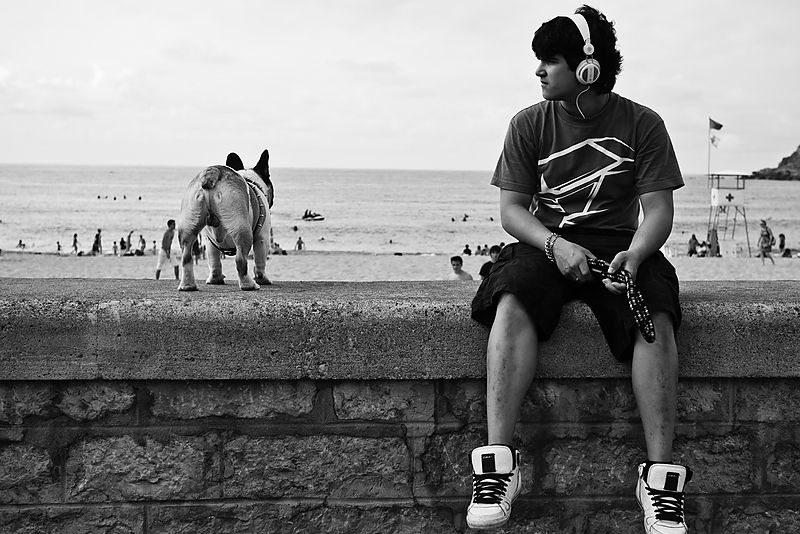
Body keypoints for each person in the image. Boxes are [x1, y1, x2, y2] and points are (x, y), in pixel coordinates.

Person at [467, 7, 690, 532]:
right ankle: (498, 467)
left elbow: (658, 211)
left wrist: (636, 255)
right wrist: (556, 246)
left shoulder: (643, 123)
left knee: (655, 314)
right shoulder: (528, 123)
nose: (539, 71)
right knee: (512, 298)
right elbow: (512, 211)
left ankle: (660, 483)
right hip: (547, 242)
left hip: (620, 245)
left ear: (587, 68)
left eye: (550, 61)